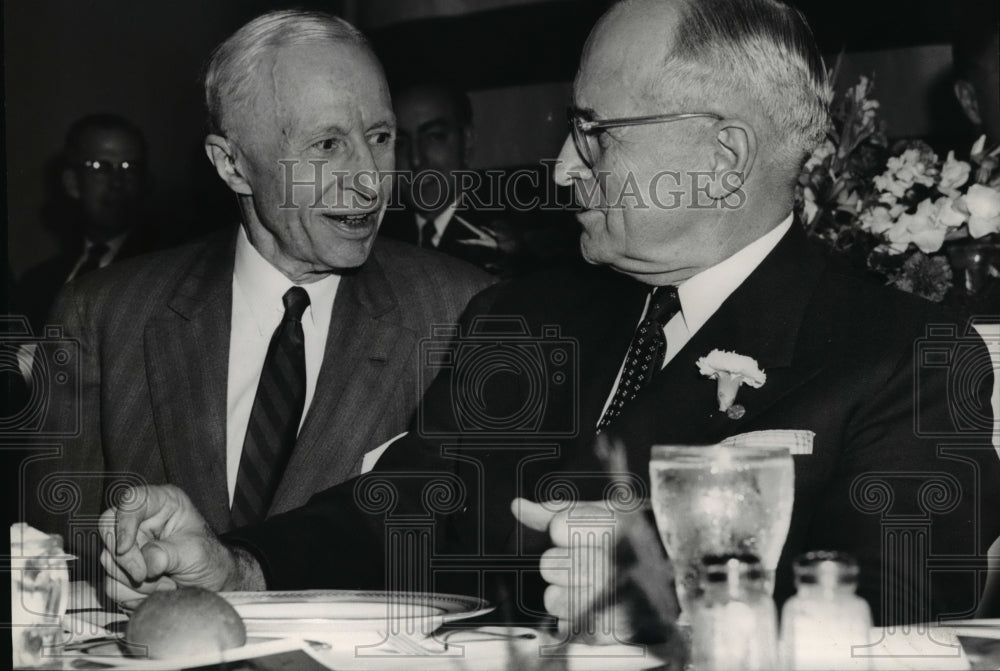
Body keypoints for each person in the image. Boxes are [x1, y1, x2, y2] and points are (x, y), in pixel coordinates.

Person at [100, 0, 999, 632]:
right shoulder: (523, 318)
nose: (565, 169)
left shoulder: (905, 360)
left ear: (723, 158)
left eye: (594, 131)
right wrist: (238, 566)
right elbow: (408, 505)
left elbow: (909, 616)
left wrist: (672, 611)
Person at [25, 10, 492, 580]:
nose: (370, 179)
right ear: (232, 165)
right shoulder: (101, 317)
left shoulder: (465, 312)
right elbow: (51, 572)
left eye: (379, 137)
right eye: (327, 145)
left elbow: (480, 565)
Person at [15, 114, 157, 333]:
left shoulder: (159, 271)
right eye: (100, 166)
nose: (118, 182)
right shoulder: (37, 282)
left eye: (129, 167)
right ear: (72, 183)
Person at [379, 83, 525, 274]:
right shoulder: (378, 239)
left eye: (434, 137)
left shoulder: (507, 242)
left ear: (467, 141)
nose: (415, 159)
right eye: (400, 143)